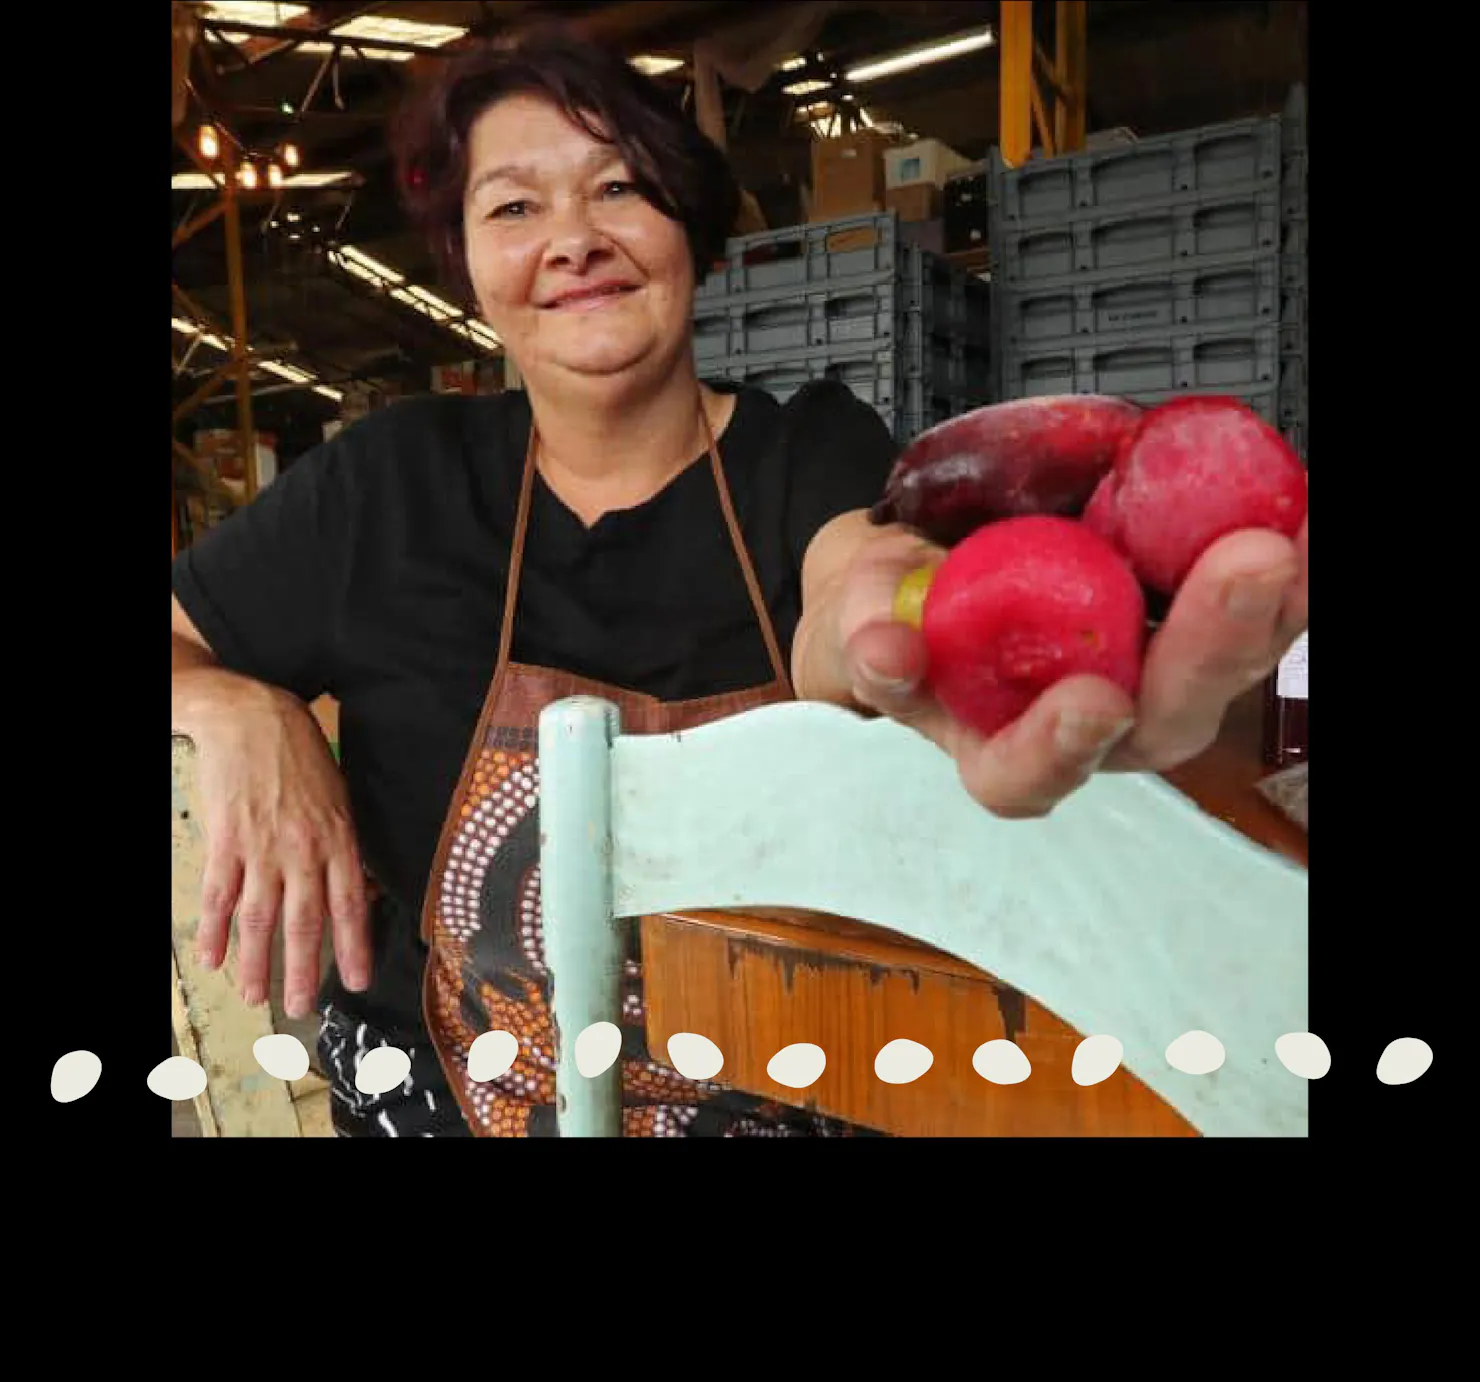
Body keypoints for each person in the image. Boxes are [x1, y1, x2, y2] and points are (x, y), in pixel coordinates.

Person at [169, 30, 1310, 1138]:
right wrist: (236, 704)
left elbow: (855, 584)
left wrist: (917, 637)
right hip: (440, 1097)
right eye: (513, 208)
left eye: (618, 188)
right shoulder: (388, 481)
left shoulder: (805, 450)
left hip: (772, 1091)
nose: (573, 239)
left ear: (693, 231)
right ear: (467, 268)